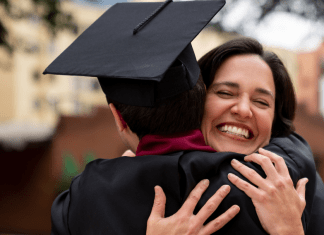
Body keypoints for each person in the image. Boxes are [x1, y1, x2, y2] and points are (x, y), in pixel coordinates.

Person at [146, 37, 324, 235]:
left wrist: (290, 230)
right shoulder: (147, 175)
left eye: (261, 102)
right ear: (196, 100)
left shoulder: (298, 185)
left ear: (275, 121)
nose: (243, 110)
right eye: (225, 93)